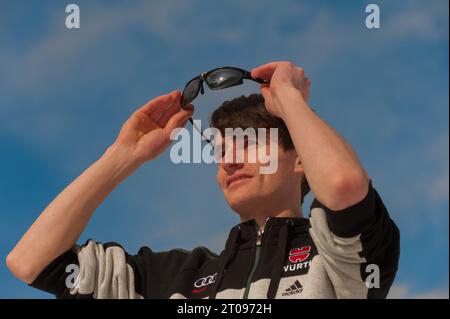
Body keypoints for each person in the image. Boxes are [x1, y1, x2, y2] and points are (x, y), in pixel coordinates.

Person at [6, 61, 400, 299]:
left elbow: (344, 186)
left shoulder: (338, 258)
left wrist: (291, 102)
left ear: (300, 162)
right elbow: (31, 262)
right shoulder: (174, 278)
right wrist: (121, 157)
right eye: (220, 151)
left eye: (247, 145)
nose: (228, 160)